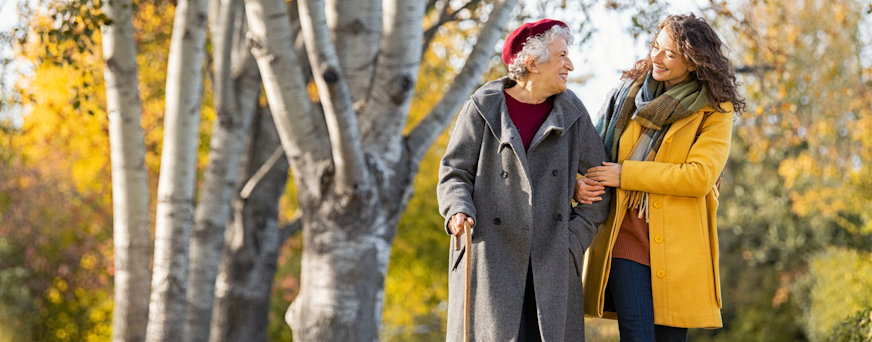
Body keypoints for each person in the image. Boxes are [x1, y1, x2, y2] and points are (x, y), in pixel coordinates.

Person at [574, 13, 746, 342]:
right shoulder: (626, 96)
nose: (656, 57)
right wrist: (579, 186)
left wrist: (627, 174)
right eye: (656, 46)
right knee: (637, 336)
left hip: (680, 245)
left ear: (694, 62)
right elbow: (590, 155)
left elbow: (698, 177)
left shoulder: (715, 110)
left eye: (669, 53)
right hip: (625, 235)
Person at [437, 19, 611, 342]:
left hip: (552, 265)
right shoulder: (482, 108)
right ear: (532, 62)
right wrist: (457, 210)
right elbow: (453, 173)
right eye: (561, 56)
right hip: (491, 261)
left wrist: (572, 242)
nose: (569, 65)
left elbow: (601, 185)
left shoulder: (573, 112)